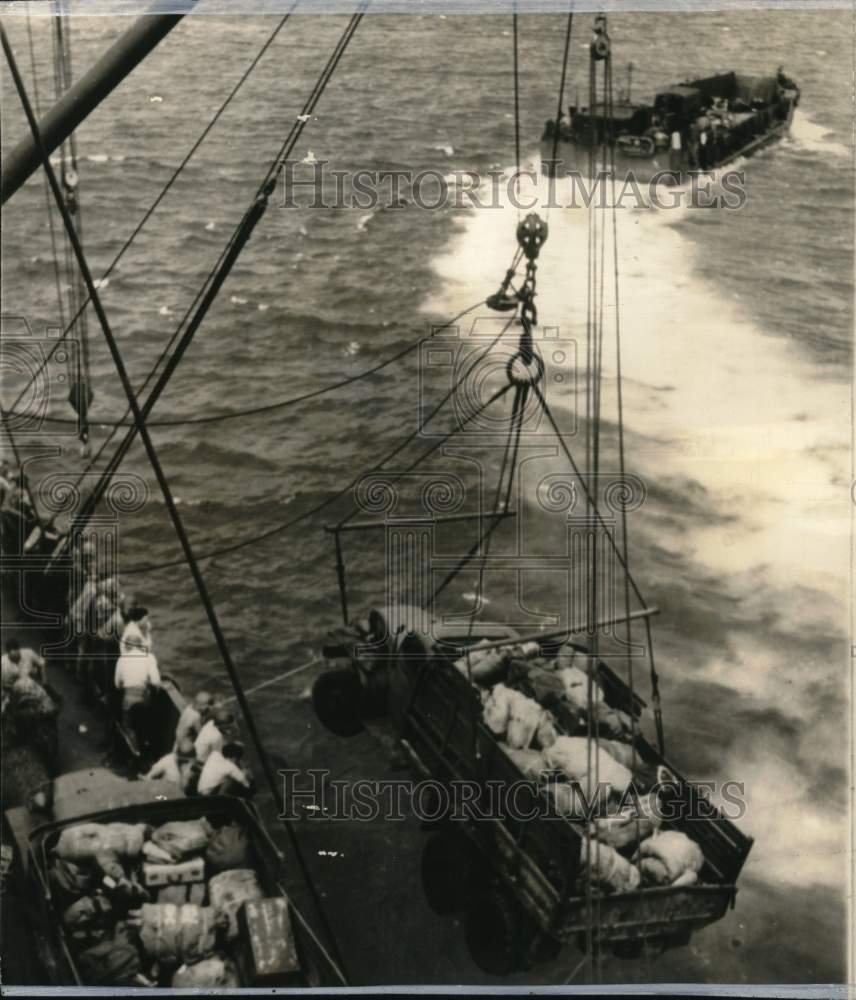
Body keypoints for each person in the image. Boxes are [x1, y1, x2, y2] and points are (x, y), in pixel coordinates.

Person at [114, 635, 161, 750]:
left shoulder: (122, 659)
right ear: (140, 646)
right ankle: (148, 747)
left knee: (128, 726)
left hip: (129, 698)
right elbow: (156, 682)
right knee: (147, 721)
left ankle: (136, 752)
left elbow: (117, 684)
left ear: (127, 647)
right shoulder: (149, 657)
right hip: (144, 698)